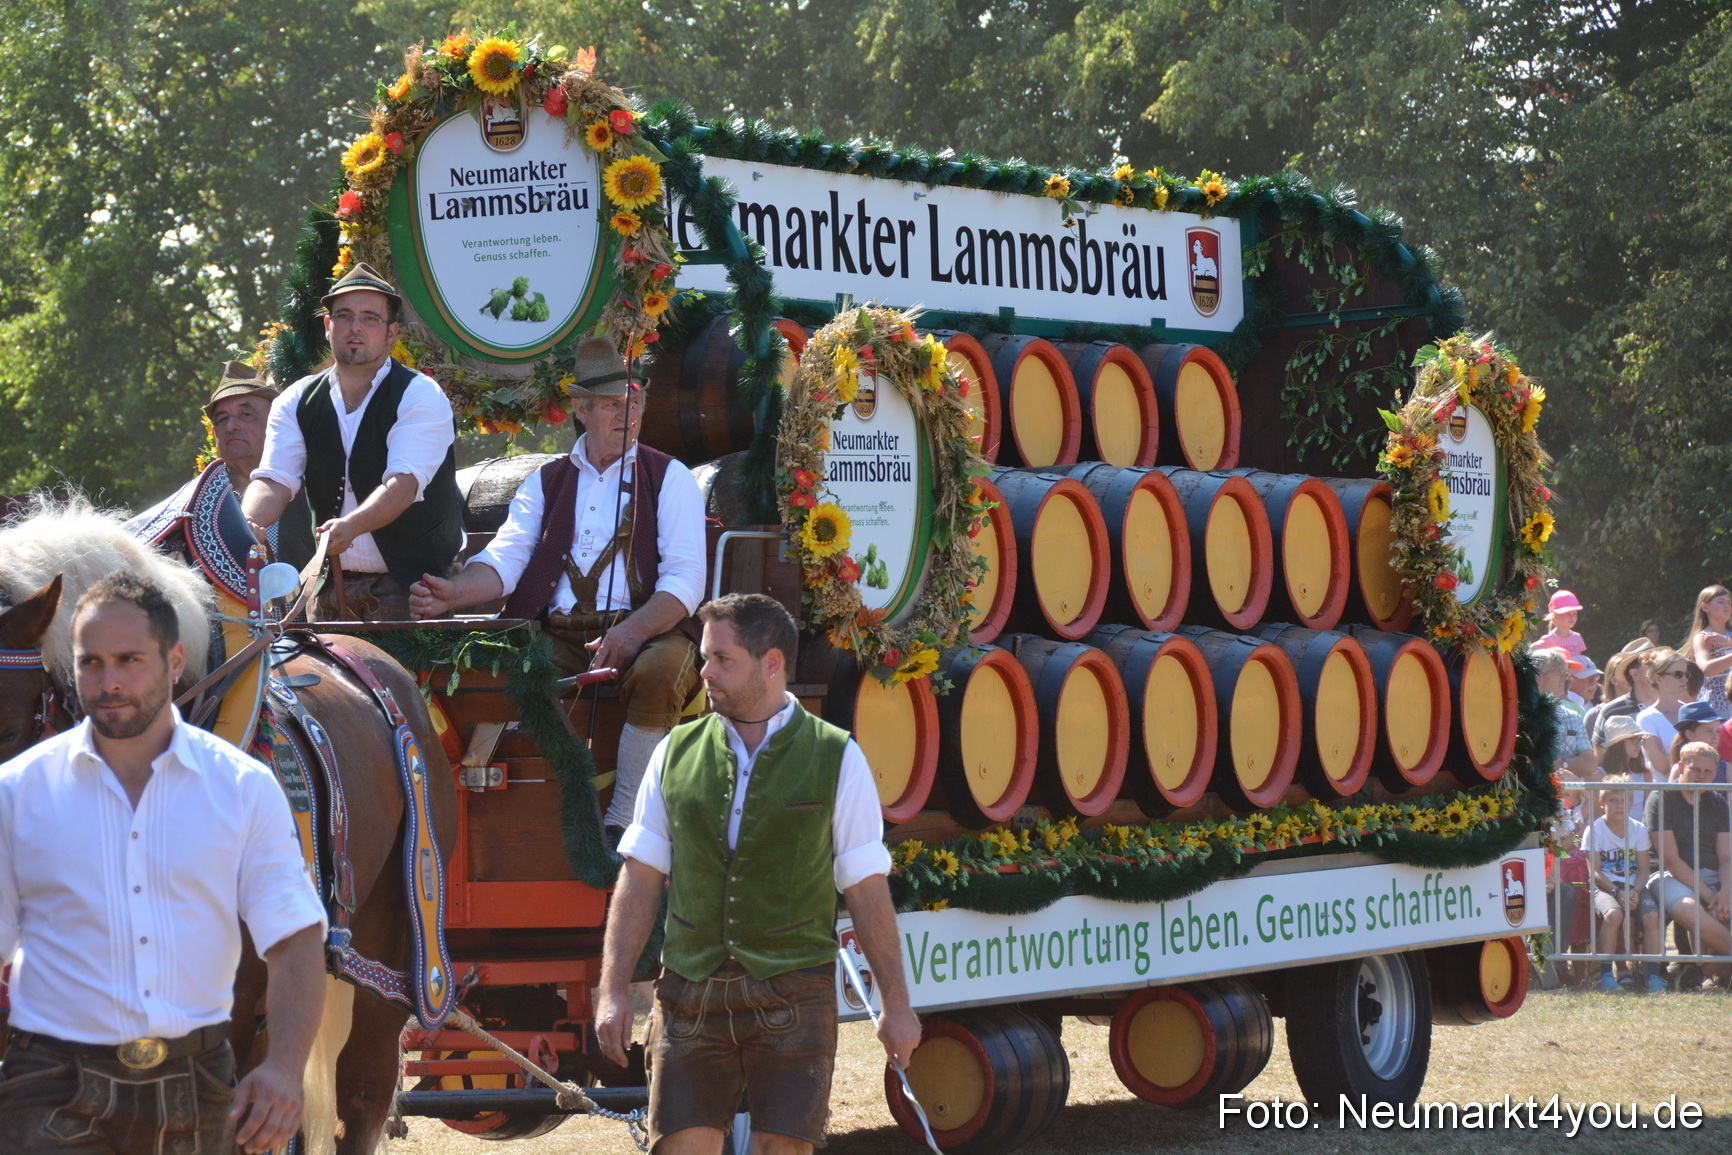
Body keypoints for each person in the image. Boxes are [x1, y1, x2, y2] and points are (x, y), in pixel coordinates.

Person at [0, 572, 327, 1154]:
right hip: (49, 1084)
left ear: (175, 661)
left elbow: (296, 937)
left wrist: (283, 1066)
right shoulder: (16, 793)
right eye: (91, 663)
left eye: (130, 660)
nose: (109, 682)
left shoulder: (243, 788)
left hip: (197, 1084)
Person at [594, 594, 921, 1155]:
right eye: (705, 657)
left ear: (772, 663)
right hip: (690, 994)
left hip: (793, 994)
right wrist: (613, 989)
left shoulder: (837, 757)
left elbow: (867, 890)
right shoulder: (675, 750)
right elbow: (641, 877)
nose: (705, 672)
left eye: (723, 659)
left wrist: (896, 1003)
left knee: (782, 1150)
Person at [409, 337, 705, 840]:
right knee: (524, 670)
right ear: (581, 408)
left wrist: (632, 633)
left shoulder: (669, 476)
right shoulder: (545, 482)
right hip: (561, 634)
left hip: (649, 631)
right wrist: (453, 594)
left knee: (662, 668)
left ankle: (626, 818)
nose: (627, 416)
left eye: (635, 404)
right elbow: (505, 560)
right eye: (613, 405)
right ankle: (557, 809)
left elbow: (686, 580)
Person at [242, 263, 462, 621]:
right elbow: (273, 479)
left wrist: (351, 526)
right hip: (329, 588)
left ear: (391, 334)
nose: (355, 326)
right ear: (328, 328)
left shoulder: (419, 395)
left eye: (370, 318)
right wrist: (247, 523)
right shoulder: (295, 401)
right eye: (344, 316)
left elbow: (403, 484)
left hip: (415, 590)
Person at [202, 360, 315, 568]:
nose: (231, 426)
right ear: (214, 434)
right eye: (221, 419)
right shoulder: (204, 503)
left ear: (275, 423)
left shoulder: (314, 490)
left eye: (246, 415)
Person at [1644, 742, 1731, 986]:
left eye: (1708, 772)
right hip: (1668, 875)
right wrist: (1709, 896)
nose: (1701, 776)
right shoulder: (1660, 798)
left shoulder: (1718, 801)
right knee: (1687, 908)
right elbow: (1671, 859)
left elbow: (1726, 856)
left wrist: (1725, 892)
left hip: (1715, 875)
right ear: (1680, 767)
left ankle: (1701, 973)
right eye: (1695, 770)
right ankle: (1713, 972)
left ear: (1716, 773)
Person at [1582, 775, 1664, 993]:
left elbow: (1644, 869)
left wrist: (1636, 891)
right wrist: (1617, 891)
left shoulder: (1638, 829)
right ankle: (1606, 975)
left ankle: (1653, 976)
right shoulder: (1594, 829)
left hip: (1633, 885)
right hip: (1605, 886)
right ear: (1602, 803)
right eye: (1613, 801)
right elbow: (1595, 871)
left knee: (1652, 916)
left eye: (1623, 800)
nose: (1619, 805)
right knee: (1613, 915)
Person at [1534, 647, 1595, 779]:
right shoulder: (1519, 717)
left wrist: (1562, 763)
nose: (1565, 677)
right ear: (1538, 678)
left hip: (1565, 796)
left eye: (1565, 672)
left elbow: (1590, 763)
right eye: (1558, 672)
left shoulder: (1572, 717)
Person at [1635, 648, 1694, 778]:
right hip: (1664, 794)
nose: (1684, 679)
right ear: (1658, 678)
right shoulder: (1646, 718)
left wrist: (1670, 754)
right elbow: (1662, 767)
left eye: (1686, 674)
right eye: (1678, 674)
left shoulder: (1690, 712)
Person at [1590, 644, 1655, 758]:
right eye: (1651, 664)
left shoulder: (1675, 707)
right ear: (1635, 674)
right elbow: (1600, 761)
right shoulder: (1610, 711)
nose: (1660, 668)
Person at [1684, 584, 1732, 719]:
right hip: (1718, 706)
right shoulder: (1703, 637)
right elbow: (1706, 669)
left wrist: (1728, 642)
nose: (1727, 606)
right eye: (1721, 602)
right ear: (1705, 607)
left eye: (1729, 602)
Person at [1536, 589, 1588, 660]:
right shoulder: (1548, 639)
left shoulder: (1577, 638)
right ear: (1555, 618)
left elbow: (1580, 662)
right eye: (1568, 614)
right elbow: (1531, 650)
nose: (1572, 616)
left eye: (1574, 613)